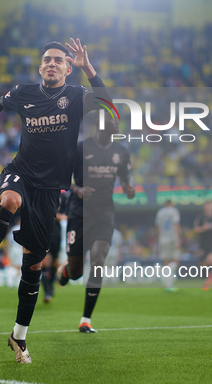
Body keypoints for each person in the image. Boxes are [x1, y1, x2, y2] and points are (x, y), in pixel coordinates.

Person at [0, 38, 108, 363]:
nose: (51, 64)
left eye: (58, 60)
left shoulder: (76, 96)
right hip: (20, 172)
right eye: (46, 59)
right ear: (40, 67)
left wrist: (89, 68)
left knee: (33, 266)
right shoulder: (24, 92)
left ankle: (19, 337)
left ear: (67, 68)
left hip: (50, 191)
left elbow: (107, 101)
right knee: (8, 200)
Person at [58, 114, 135, 333]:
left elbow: (126, 178)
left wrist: (129, 188)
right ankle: (65, 271)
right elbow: (61, 177)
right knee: (76, 272)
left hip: (104, 212)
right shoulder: (80, 148)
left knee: (99, 257)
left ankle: (86, 319)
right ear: (101, 125)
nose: (117, 124)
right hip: (79, 213)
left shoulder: (121, 151)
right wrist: (77, 189)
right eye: (113, 121)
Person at [41, 194, 68, 303]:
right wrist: (57, 216)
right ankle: (47, 292)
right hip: (45, 231)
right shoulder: (45, 194)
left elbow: (67, 213)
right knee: (45, 263)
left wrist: (62, 216)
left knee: (54, 264)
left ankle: (50, 287)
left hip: (57, 234)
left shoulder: (64, 197)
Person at [193, 201, 212, 290]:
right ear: (205, 207)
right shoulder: (200, 217)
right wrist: (203, 228)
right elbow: (195, 229)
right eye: (208, 206)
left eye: (211, 206)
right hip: (203, 242)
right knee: (202, 264)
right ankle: (206, 279)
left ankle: (211, 276)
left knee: (211, 258)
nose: (209, 208)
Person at [155, 200, 181, 291]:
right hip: (172, 238)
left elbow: (158, 227)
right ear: (171, 204)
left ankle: (163, 277)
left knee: (165, 261)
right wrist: (178, 239)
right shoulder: (174, 211)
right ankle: (168, 283)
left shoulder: (160, 212)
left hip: (163, 239)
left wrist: (160, 239)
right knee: (175, 260)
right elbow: (175, 225)